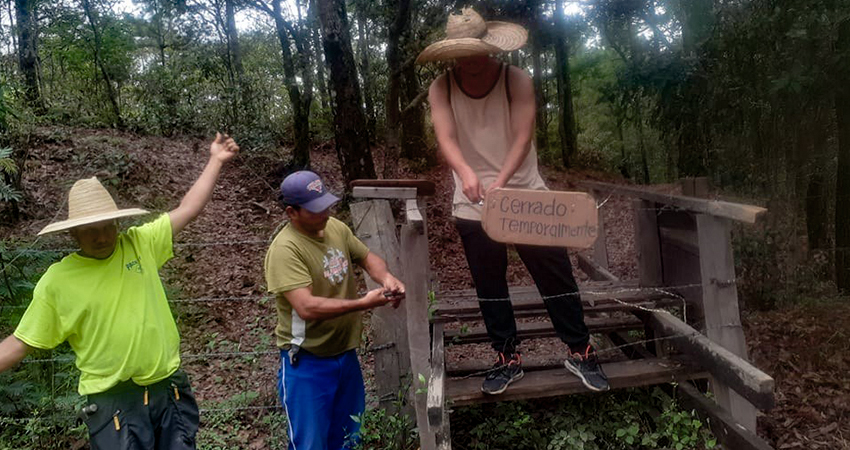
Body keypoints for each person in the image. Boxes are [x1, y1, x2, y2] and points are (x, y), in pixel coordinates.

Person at [0, 133, 240, 449]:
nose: (101, 237)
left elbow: (188, 208)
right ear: (73, 234)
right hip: (112, 402)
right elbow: (22, 341)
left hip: (168, 390)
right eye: (90, 231)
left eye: (107, 227)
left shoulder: (140, 244)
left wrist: (216, 160)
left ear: (117, 224)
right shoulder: (58, 281)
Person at [418, 8, 610, 395]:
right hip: (472, 201)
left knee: (555, 274)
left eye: (477, 51)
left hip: (525, 194)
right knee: (490, 283)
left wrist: (501, 184)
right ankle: (507, 357)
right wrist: (466, 173)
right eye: (463, 53)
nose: (471, 60)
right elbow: (446, 139)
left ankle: (580, 350)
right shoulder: (442, 87)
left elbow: (523, 137)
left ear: (490, 47)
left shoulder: (515, 79)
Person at [264, 170, 405, 450]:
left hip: (345, 355)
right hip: (306, 362)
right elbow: (307, 307)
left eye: (325, 204)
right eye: (315, 209)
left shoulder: (336, 228)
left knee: (348, 437)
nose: (325, 213)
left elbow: (367, 257)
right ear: (292, 212)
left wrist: (387, 278)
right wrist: (364, 303)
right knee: (310, 443)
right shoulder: (285, 250)